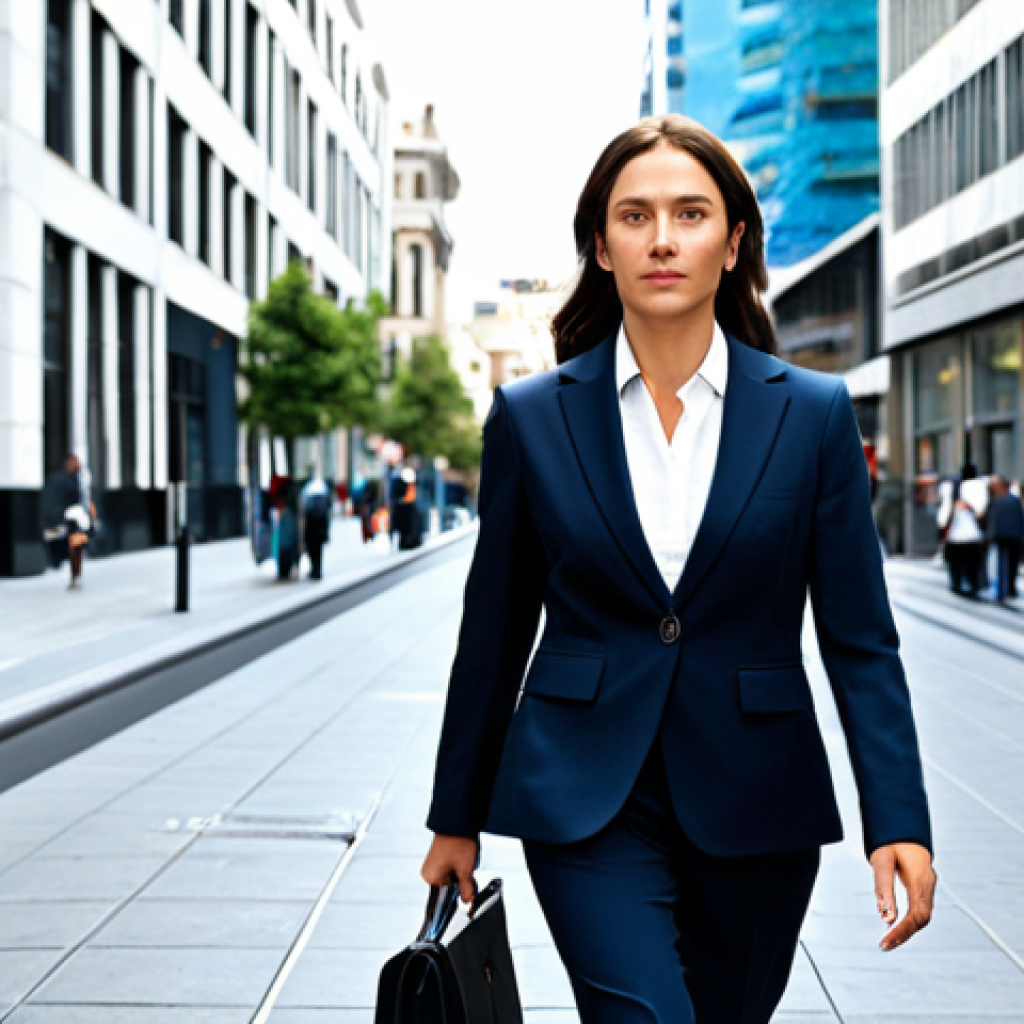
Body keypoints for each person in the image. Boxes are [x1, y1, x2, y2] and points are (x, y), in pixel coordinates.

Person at [420, 115, 935, 1024]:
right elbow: (492, 634)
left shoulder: (812, 416)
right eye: (635, 216)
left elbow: (860, 641)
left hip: (757, 798)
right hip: (583, 795)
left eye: (691, 214)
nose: (663, 238)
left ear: (734, 243)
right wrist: (453, 812)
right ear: (602, 245)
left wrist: (897, 817)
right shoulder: (532, 419)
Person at [42, 453, 96, 591]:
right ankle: (71, 574)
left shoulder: (76, 479)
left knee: (75, 548)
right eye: (74, 462)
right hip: (65, 519)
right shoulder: (61, 480)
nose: (76, 465)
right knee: (68, 546)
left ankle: (75, 576)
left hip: (73, 521)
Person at [939, 474, 985, 597]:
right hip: (960, 539)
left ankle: (969, 585)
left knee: (967, 565)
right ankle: (960, 585)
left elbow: (979, 515)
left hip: (967, 538)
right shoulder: (951, 503)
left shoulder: (969, 502)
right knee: (959, 565)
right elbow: (944, 521)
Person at [987, 475, 1023, 601]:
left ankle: (1006, 589)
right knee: (1008, 563)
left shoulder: (1001, 500)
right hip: (1008, 536)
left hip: (1006, 536)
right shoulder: (1011, 500)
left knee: (1005, 563)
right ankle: (1008, 588)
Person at [300, 466, 332, 581]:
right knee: (318, 550)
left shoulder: (308, 489)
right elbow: (328, 507)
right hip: (320, 525)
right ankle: (317, 570)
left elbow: (304, 506)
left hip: (312, 525)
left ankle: (315, 570)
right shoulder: (322, 488)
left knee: (312, 549)